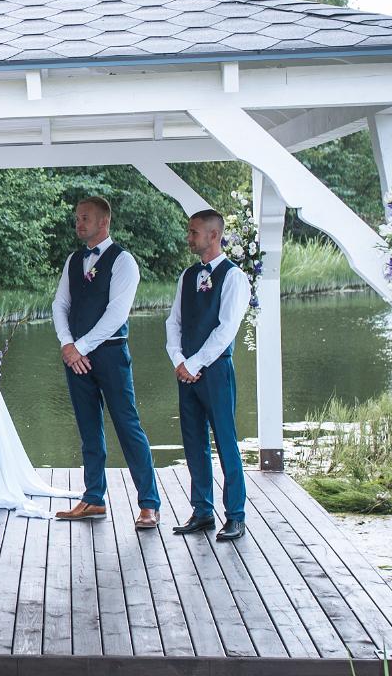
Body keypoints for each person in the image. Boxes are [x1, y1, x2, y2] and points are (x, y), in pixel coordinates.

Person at [52, 198, 161, 530]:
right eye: (76, 218)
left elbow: (116, 315)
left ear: (104, 222)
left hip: (110, 354)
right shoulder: (74, 260)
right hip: (76, 358)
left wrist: (79, 346)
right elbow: (59, 304)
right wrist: (67, 345)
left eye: (84, 218)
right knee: (88, 430)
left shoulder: (124, 261)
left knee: (128, 426)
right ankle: (94, 498)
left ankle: (148, 504)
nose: (78, 223)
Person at [166, 210, 252, 542]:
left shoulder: (233, 277)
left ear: (213, 235)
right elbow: (173, 322)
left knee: (226, 441)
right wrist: (179, 359)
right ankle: (202, 511)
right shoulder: (187, 276)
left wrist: (196, 362)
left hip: (215, 371)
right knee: (194, 442)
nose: (189, 237)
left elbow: (226, 329)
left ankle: (235, 515)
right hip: (185, 370)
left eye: (194, 232)